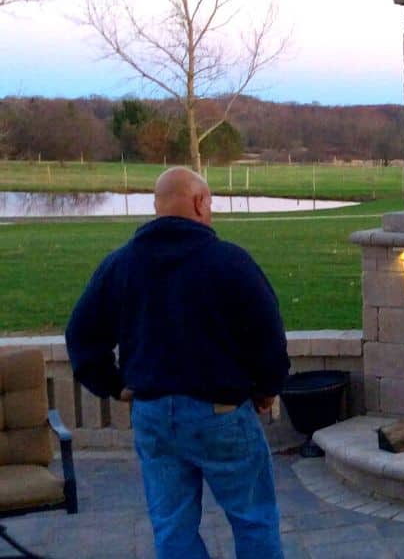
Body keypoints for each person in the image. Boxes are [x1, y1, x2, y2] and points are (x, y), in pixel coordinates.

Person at [66, 166, 289, 559]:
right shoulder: (230, 262)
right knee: (254, 519)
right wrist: (267, 390)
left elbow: (81, 336)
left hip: (153, 416)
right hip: (222, 416)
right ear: (201, 202)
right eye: (211, 202)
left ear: (157, 206)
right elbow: (269, 338)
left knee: (172, 527)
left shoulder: (119, 265)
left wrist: (113, 384)